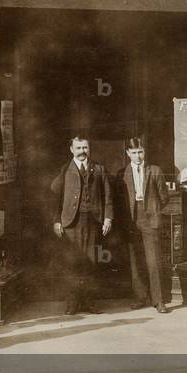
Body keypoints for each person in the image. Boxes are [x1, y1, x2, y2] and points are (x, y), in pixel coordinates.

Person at [50, 133, 113, 315]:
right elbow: (55, 196)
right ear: (71, 150)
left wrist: (108, 218)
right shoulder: (65, 170)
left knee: (91, 262)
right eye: (78, 148)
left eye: (85, 147)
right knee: (72, 263)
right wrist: (56, 220)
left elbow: (108, 197)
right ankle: (72, 303)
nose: (82, 151)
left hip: (93, 221)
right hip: (71, 222)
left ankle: (89, 302)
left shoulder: (99, 169)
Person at [119, 137, 169, 314]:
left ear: (144, 151)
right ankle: (140, 297)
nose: (138, 156)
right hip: (132, 220)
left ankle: (159, 300)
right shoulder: (122, 173)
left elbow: (164, 197)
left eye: (140, 152)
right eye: (134, 153)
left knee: (153, 261)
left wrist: (152, 209)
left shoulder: (155, 170)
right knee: (136, 261)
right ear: (128, 153)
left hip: (150, 219)